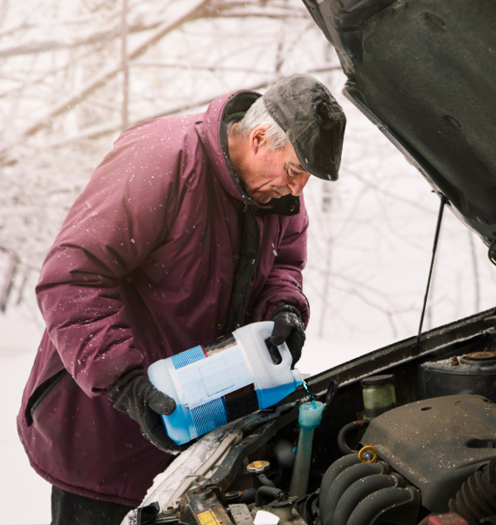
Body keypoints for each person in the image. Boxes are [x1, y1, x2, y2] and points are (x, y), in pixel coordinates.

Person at [17, 74, 346, 525]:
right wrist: (126, 383)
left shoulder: (279, 196)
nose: (298, 189)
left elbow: (284, 263)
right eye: (294, 171)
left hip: (194, 433)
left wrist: (283, 308)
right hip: (105, 428)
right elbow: (71, 278)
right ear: (257, 140)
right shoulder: (161, 161)